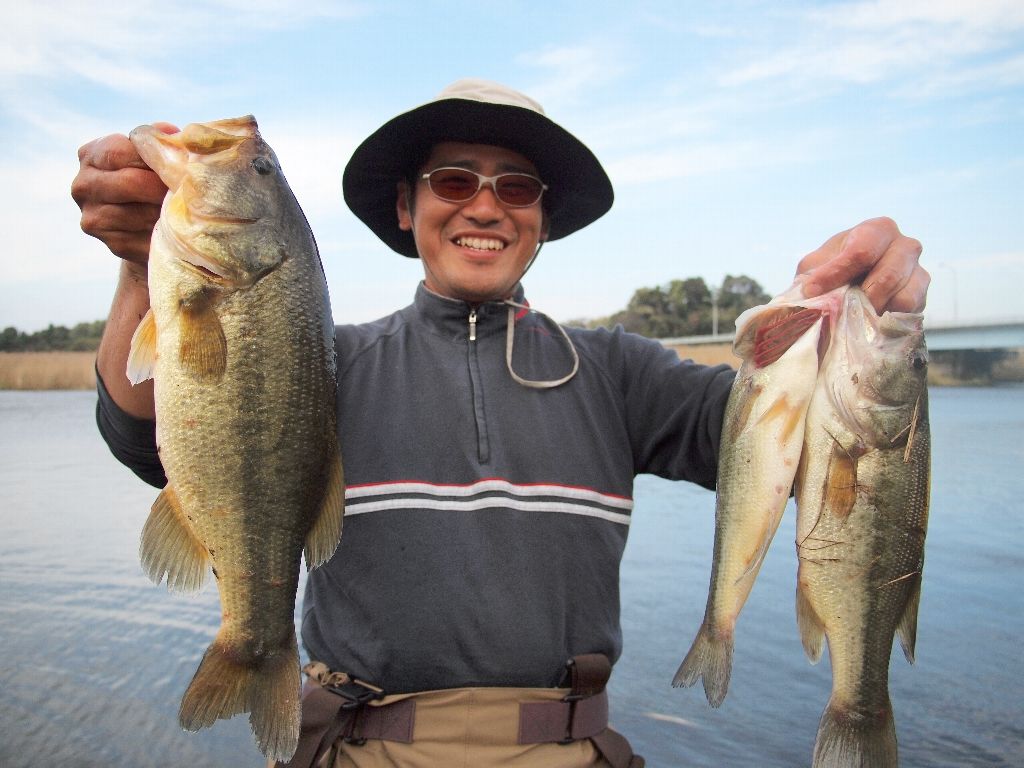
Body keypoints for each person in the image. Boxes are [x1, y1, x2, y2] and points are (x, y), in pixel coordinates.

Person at [72, 79, 929, 768]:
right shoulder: (321, 360)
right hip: (357, 749)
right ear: (405, 208)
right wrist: (141, 267)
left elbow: (801, 444)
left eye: (515, 188)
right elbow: (142, 433)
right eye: (453, 181)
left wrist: (859, 324)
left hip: (567, 750)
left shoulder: (620, 371)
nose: (485, 208)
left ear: (542, 220)